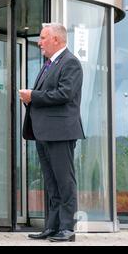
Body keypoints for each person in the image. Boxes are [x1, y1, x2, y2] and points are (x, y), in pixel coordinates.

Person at [19, 23, 85, 242]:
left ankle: (68, 228)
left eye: (43, 38)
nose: (39, 42)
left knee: (64, 182)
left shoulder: (70, 63)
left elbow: (64, 94)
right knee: (51, 182)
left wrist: (32, 96)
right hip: (44, 132)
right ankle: (52, 226)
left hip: (61, 132)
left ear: (56, 39)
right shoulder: (49, 64)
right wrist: (32, 97)